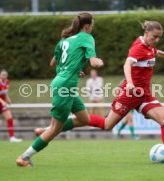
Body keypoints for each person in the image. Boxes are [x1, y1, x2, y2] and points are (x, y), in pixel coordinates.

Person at [31, 20, 164, 165]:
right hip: (129, 94)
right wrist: (130, 83)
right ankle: (54, 128)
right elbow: (127, 64)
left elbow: (156, 52)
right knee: (107, 125)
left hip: (144, 95)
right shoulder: (138, 48)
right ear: (146, 34)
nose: (157, 40)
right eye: (155, 37)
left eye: (160, 37)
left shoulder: (149, 46)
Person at [16, 12, 104, 167]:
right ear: (88, 25)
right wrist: (99, 61)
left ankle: (44, 129)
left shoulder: (64, 40)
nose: (92, 28)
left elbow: (53, 62)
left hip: (62, 83)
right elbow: (94, 63)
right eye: (92, 26)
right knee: (56, 129)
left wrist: (74, 68)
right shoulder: (87, 38)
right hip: (66, 86)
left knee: (84, 119)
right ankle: (25, 157)